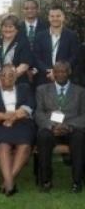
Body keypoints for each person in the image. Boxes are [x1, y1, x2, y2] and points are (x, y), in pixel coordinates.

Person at [35, 61, 85, 193]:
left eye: (64, 71)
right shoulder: (42, 90)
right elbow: (38, 113)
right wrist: (51, 126)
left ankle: (77, 182)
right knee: (43, 136)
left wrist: (68, 126)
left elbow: (83, 115)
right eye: (57, 71)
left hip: (71, 129)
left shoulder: (80, 91)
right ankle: (46, 181)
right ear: (53, 72)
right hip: (51, 129)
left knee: (79, 138)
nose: (60, 74)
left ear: (69, 72)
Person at [0, 64, 35, 196]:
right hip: (0, 124)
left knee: (25, 146)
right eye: (4, 74)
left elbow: (28, 108)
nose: (7, 77)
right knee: (2, 145)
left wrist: (12, 118)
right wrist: (4, 116)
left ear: (16, 77)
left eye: (11, 75)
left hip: (22, 123)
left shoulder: (24, 88)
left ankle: (6, 182)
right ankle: (10, 184)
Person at [33, 5, 80, 85]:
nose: (55, 19)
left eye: (58, 16)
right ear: (48, 18)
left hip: (65, 78)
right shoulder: (39, 36)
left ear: (63, 17)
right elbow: (36, 57)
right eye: (52, 16)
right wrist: (48, 71)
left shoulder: (72, 36)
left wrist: (60, 71)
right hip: (45, 78)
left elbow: (74, 56)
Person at [0, 14, 32, 84]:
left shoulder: (23, 43)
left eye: (11, 27)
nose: (7, 29)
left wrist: (8, 78)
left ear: (16, 29)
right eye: (5, 26)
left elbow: (24, 66)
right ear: (1, 28)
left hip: (18, 83)